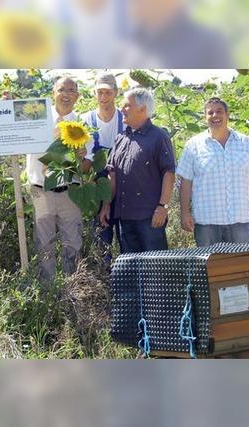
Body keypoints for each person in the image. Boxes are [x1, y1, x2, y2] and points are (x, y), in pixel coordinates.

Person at [176, 97, 249, 247]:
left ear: (227, 115)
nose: (215, 116)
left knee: (244, 266)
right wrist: (185, 213)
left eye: (219, 111)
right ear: (205, 117)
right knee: (212, 269)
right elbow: (186, 182)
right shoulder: (193, 146)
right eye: (210, 113)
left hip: (240, 221)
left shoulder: (244, 143)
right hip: (207, 224)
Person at [100, 87, 175, 253]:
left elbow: (169, 174)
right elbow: (113, 176)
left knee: (156, 268)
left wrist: (162, 206)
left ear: (142, 109)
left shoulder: (159, 137)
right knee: (131, 270)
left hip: (149, 217)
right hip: (124, 216)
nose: (122, 109)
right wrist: (106, 205)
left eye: (127, 105)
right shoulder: (121, 138)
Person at [26, 76, 85, 282]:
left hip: (70, 192)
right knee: (44, 243)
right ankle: (47, 293)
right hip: (41, 189)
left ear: (77, 96)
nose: (66, 95)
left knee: (74, 243)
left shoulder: (82, 123)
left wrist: (82, 155)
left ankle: (74, 289)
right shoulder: (37, 116)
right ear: (54, 93)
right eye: (62, 90)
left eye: (71, 91)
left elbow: (88, 163)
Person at [81, 73, 124, 261]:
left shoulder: (126, 118)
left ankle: (127, 279)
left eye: (108, 92)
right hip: (96, 187)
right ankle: (104, 279)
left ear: (116, 93)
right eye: (100, 92)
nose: (103, 97)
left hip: (124, 186)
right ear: (94, 93)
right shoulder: (86, 120)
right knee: (101, 239)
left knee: (126, 239)